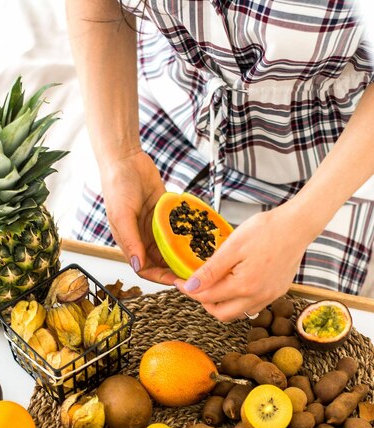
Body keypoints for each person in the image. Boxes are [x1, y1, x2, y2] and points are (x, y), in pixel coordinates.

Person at [65, 0, 374, 322]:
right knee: (81, 304)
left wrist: (302, 222)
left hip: (329, 159)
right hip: (173, 109)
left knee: (280, 330)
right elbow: (100, 9)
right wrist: (119, 157)